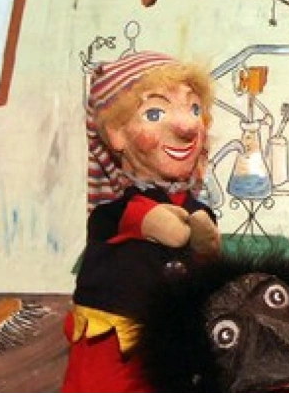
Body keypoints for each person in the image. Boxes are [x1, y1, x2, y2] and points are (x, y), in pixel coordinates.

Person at [61, 51, 221, 394]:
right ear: (116, 133)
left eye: (194, 109)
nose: (187, 126)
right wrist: (145, 219)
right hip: (116, 345)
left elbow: (206, 243)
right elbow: (111, 222)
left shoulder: (191, 204)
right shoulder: (112, 212)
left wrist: (204, 229)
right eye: (154, 113)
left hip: (178, 350)